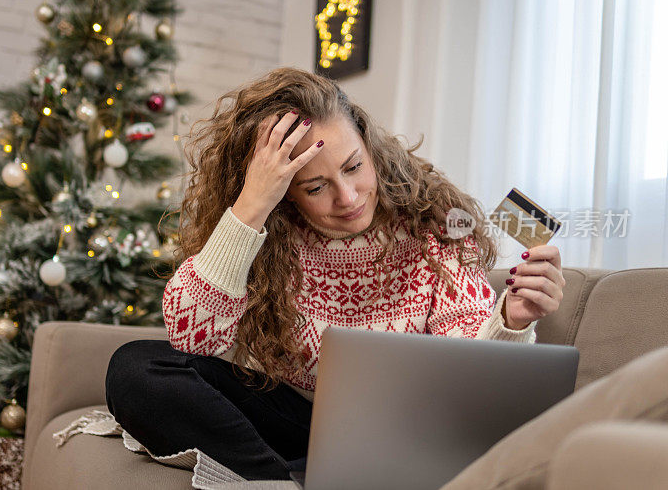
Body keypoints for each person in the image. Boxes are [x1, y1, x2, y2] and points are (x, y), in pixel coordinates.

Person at [105, 67, 566, 481]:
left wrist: (513, 321)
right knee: (135, 368)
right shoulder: (267, 230)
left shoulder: (436, 226)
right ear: (285, 191)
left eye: (353, 166)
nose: (347, 198)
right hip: (296, 426)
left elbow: (472, 387)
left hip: (403, 435)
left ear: (370, 146)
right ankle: (280, 482)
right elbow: (192, 340)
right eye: (315, 186)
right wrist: (251, 207)